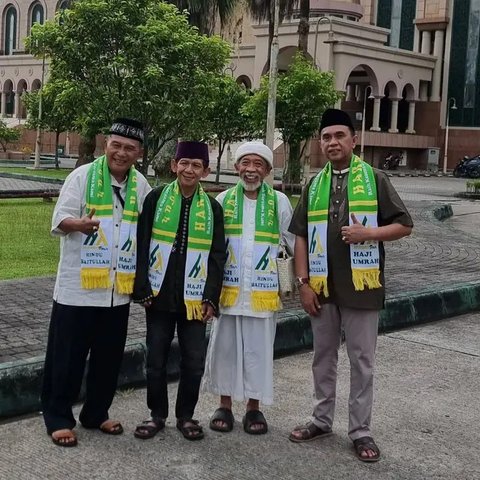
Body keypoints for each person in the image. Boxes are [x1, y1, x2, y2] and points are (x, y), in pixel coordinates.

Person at [288, 109, 413, 462]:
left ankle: (360, 431)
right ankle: (321, 419)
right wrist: (303, 283)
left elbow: (404, 225)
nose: (332, 142)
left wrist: (369, 233)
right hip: (322, 288)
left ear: (354, 139)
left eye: (339, 135)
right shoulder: (314, 184)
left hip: (362, 287)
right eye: (326, 137)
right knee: (322, 358)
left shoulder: (374, 179)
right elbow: (299, 237)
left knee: (361, 361)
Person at [41, 118, 151, 447]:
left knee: (108, 358)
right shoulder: (82, 176)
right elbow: (59, 219)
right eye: (116, 145)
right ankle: (58, 417)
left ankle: (96, 413)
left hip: (116, 291)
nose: (121, 152)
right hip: (78, 288)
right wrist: (80, 223)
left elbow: (147, 231)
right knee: (67, 357)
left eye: (129, 148)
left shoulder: (141, 185)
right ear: (106, 145)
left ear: (139, 153)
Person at [133, 141, 226, 441]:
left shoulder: (212, 209)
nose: (189, 169)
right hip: (159, 294)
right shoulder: (156, 199)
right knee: (156, 359)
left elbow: (216, 255)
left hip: (195, 299)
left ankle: (186, 416)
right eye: (184, 163)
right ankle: (156, 415)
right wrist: (142, 287)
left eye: (196, 165)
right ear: (174, 165)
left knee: (194, 361)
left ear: (206, 171)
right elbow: (141, 242)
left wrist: (211, 296)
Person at [201, 142, 294, 435]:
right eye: (245, 163)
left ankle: (254, 408)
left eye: (258, 165)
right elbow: (210, 248)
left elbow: (291, 243)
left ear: (267, 170)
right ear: (236, 167)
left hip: (263, 292)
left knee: (258, 350)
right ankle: (224, 406)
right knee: (225, 349)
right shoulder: (223, 199)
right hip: (228, 289)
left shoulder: (280, 202)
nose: (251, 170)